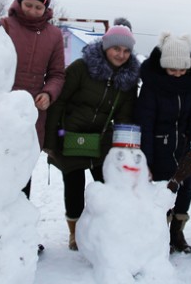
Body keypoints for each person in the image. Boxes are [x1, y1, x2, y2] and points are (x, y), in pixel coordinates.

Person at [43, 24, 140, 250]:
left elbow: (125, 116)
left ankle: (104, 228)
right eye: (116, 48)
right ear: (106, 47)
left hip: (102, 141)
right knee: (74, 186)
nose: (121, 54)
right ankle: (75, 233)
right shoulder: (80, 68)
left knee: (107, 187)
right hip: (70, 137)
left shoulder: (128, 80)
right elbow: (59, 102)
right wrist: (50, 141)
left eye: (126, 51)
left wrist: (122, 150)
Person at [136, 32, 191, 254]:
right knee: (163, 192)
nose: (177, 75)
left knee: (188, 186)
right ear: (163, 66)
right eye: (172, 70)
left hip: (182, 148)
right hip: (158, 149)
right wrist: (146, 160)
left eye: (182, 70)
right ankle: (159, 235)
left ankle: (177, 232)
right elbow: (144, 124)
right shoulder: (151, 87)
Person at [0, 0, 65, 199]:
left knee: (22, 173)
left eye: (38, 8)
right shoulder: (4, 26)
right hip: (0, 110)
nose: (32, 11)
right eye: (28, 5)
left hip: (32, 115)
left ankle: (19, 231)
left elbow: (58, 73)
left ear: (46, 7)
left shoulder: (54, 35)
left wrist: (48, 93)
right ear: (19, 1)